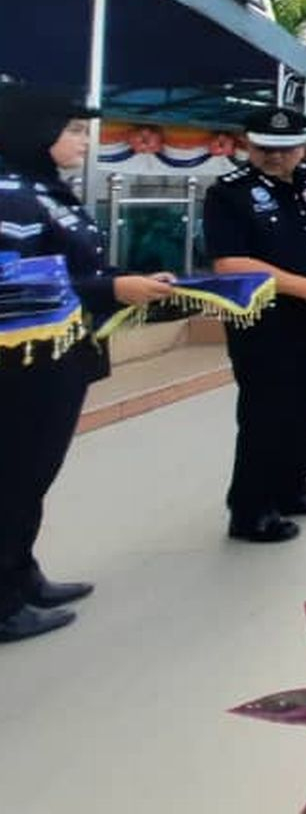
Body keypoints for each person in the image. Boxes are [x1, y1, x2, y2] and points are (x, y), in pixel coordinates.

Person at [0, 80, 175, 641]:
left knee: (33, 475)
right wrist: (112, 288)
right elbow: (13, 282)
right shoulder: (9, 193)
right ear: (34, 132)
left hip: (60, 354)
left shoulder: (44, 187)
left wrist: (126, 283)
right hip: (22, 361)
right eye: (73, 129)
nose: (84, 140)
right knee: (14, 476)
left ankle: (22, 573)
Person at [203, 107, 306, 543]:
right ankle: (251, 509)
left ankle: (292, 487)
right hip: (265, 321)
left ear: (303, 147)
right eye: (265, 149)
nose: (276, 157)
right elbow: (231, 262)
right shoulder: (230, 193)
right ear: (247, 145)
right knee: (266, 414)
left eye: (287, 150)